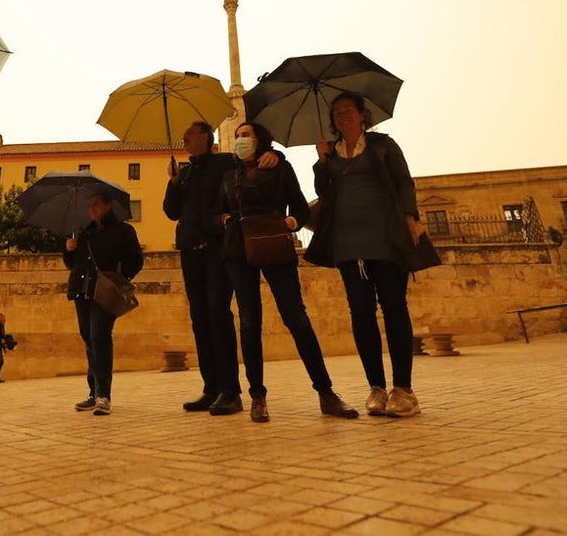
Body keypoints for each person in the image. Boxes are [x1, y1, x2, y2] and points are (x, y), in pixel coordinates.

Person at [218, 121, 358, 424]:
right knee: (249, 321)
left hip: (274, 245)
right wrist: (226, 218)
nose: (240, 140)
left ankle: (326, 392)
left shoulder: (279, 167)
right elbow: (218, 208)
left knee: (296, 317)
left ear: (260, 140)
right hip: (238, 250)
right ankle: (257, 396)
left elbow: (300, 207)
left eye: (246, 135)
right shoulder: (228, 175)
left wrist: (290, 223)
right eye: (238, 136)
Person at [312, 92, 426, 419]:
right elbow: (323, 193)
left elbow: (404, 183)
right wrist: (321, 162)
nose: (343, 115)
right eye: (337, 112)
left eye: (349, 110)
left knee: (394, 307)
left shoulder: (383, 145)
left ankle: (403, 389)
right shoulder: (330, 154)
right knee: (361, 313)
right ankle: (376, 386)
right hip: (348, 244)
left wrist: (410, 219)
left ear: (363, 114)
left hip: (385, 238)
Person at [162, 121, 279, 416]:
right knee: (199, 318)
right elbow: (171, 211)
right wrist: (173, 183)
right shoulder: (185, 173)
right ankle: (211, 388)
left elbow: (253, 162)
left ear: (204, 136)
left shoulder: (226, 162)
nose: (184, 139)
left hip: (217, 249)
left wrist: (277, 156)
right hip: (190, 253)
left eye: (188, 134)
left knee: (218, 313)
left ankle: (230, 390)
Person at [63, 191, 144, 416]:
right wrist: (68, 248)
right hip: (82, 290)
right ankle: (94, 391)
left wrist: (118, 278)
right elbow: (72, 263)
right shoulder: (83, 232)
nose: (92, 209)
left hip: (105, 293)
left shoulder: (124, 231)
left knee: (100, 337)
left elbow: (136, 260)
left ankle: (103, 394)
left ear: (108, 205)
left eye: (96, 204)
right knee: (89, 338)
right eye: (90, 205)